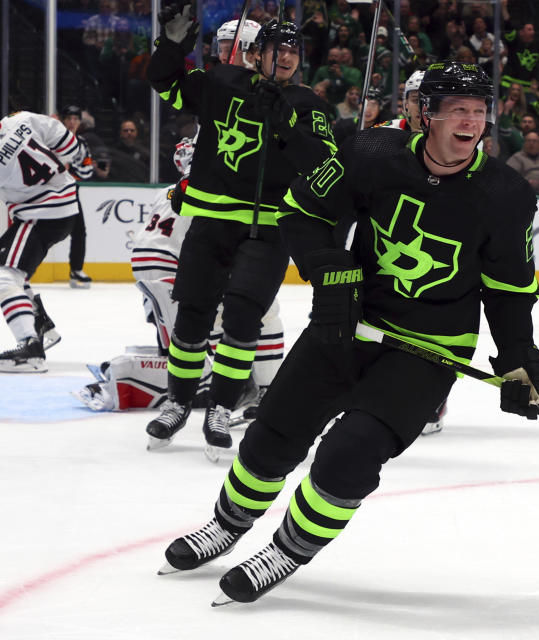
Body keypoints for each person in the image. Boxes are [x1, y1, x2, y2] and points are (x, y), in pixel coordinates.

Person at [156, 61, 539, 606]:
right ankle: (227, 525)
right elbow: (300, 212)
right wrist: (330, 271)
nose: (471, 121)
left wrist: (520, 358)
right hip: (349, 323)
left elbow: (507, 291)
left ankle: (286, 550)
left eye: (479, 111)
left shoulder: (506, 196)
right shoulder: (372, 155)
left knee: (352, 451)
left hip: (429, 350)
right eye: (458, 109)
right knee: (272, 437)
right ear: (425, 115)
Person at [143, 4, 336, 459]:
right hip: (210, 221)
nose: (286, 57)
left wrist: (287, 123)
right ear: (256, 53)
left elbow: (326, 168)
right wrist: (171, 45)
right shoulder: (222, 82)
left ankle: (221, 404)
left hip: (268, 230)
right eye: (276, 48)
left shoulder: (309, 104)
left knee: (243, 319)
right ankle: (178, 401)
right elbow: (165, 84)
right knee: (191, 314)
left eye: (293, 50)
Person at [75, 135, 283, 417]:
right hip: (178, 268)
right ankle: (260, 389)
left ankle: (189, 374)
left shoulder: (168, 191)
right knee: (262, 311)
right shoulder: (219, 191)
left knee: (186, 338)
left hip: (147, 267)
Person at [0, 111, 85, 372]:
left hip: (41, 214)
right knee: (13, 273)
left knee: (5, 275)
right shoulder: (22, 119)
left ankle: (30, 348)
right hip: (65, 206)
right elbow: (73, 149)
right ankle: (40, 328)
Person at [59, 105, 96, 288]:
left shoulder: (82, 143)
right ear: (63, 120)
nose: (72, 122)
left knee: (79, 231)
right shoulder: (52, 139)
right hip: (49, 190)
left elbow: (88, 169)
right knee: (38, 229)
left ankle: (76, 269)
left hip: (71, 190)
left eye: (76, 119)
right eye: (69, 118)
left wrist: (70, 170)